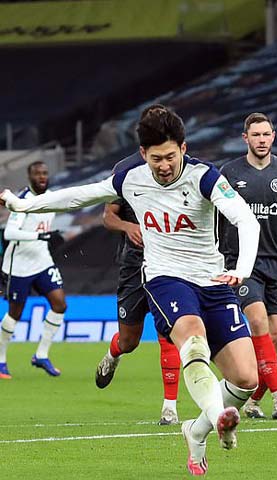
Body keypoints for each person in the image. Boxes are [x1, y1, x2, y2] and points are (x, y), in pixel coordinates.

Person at [0, 105, 261, 476]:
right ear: (143, 154)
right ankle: (220, 416)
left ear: (183, 149)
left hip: (214, 280)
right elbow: (78, 196)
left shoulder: (205, 177)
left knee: (247, 379)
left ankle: (198, 429)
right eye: (156, 158)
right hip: (165, 277)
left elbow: (245, 220)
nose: (164, 165)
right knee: (192, 338)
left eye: (171, 156)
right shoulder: (130, 177)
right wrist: (24, 205)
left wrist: (242, 270)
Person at [220, 112, 277, 419]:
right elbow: (215, 216)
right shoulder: (229, 172)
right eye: (255, 135)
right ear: (245, 138)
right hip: (243, 264)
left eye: (266, 134)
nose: (261, 140)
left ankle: (252, 400)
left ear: (274, 137)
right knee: (258, 323)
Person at [95, 105, 182, 426]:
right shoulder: (126, 169)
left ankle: (169, 407)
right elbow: (108, 216)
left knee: (168, 334)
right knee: (129, 340)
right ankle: (113, 354)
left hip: (169, 262)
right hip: (133, 264)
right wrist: (128, 227)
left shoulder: (177, 167)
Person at [0, 161, 66, 378]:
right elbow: (10, 233)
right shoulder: (22, 201)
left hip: (42, 261)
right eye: (37, 174)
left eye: (45, 173)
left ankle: (41, 354)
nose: (42, 177)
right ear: (30, 177)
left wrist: (52, 237)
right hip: (19, 265)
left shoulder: (52, 197)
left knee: (59, 304)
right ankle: (0, 360)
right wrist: (40, 236)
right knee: (15, 314)